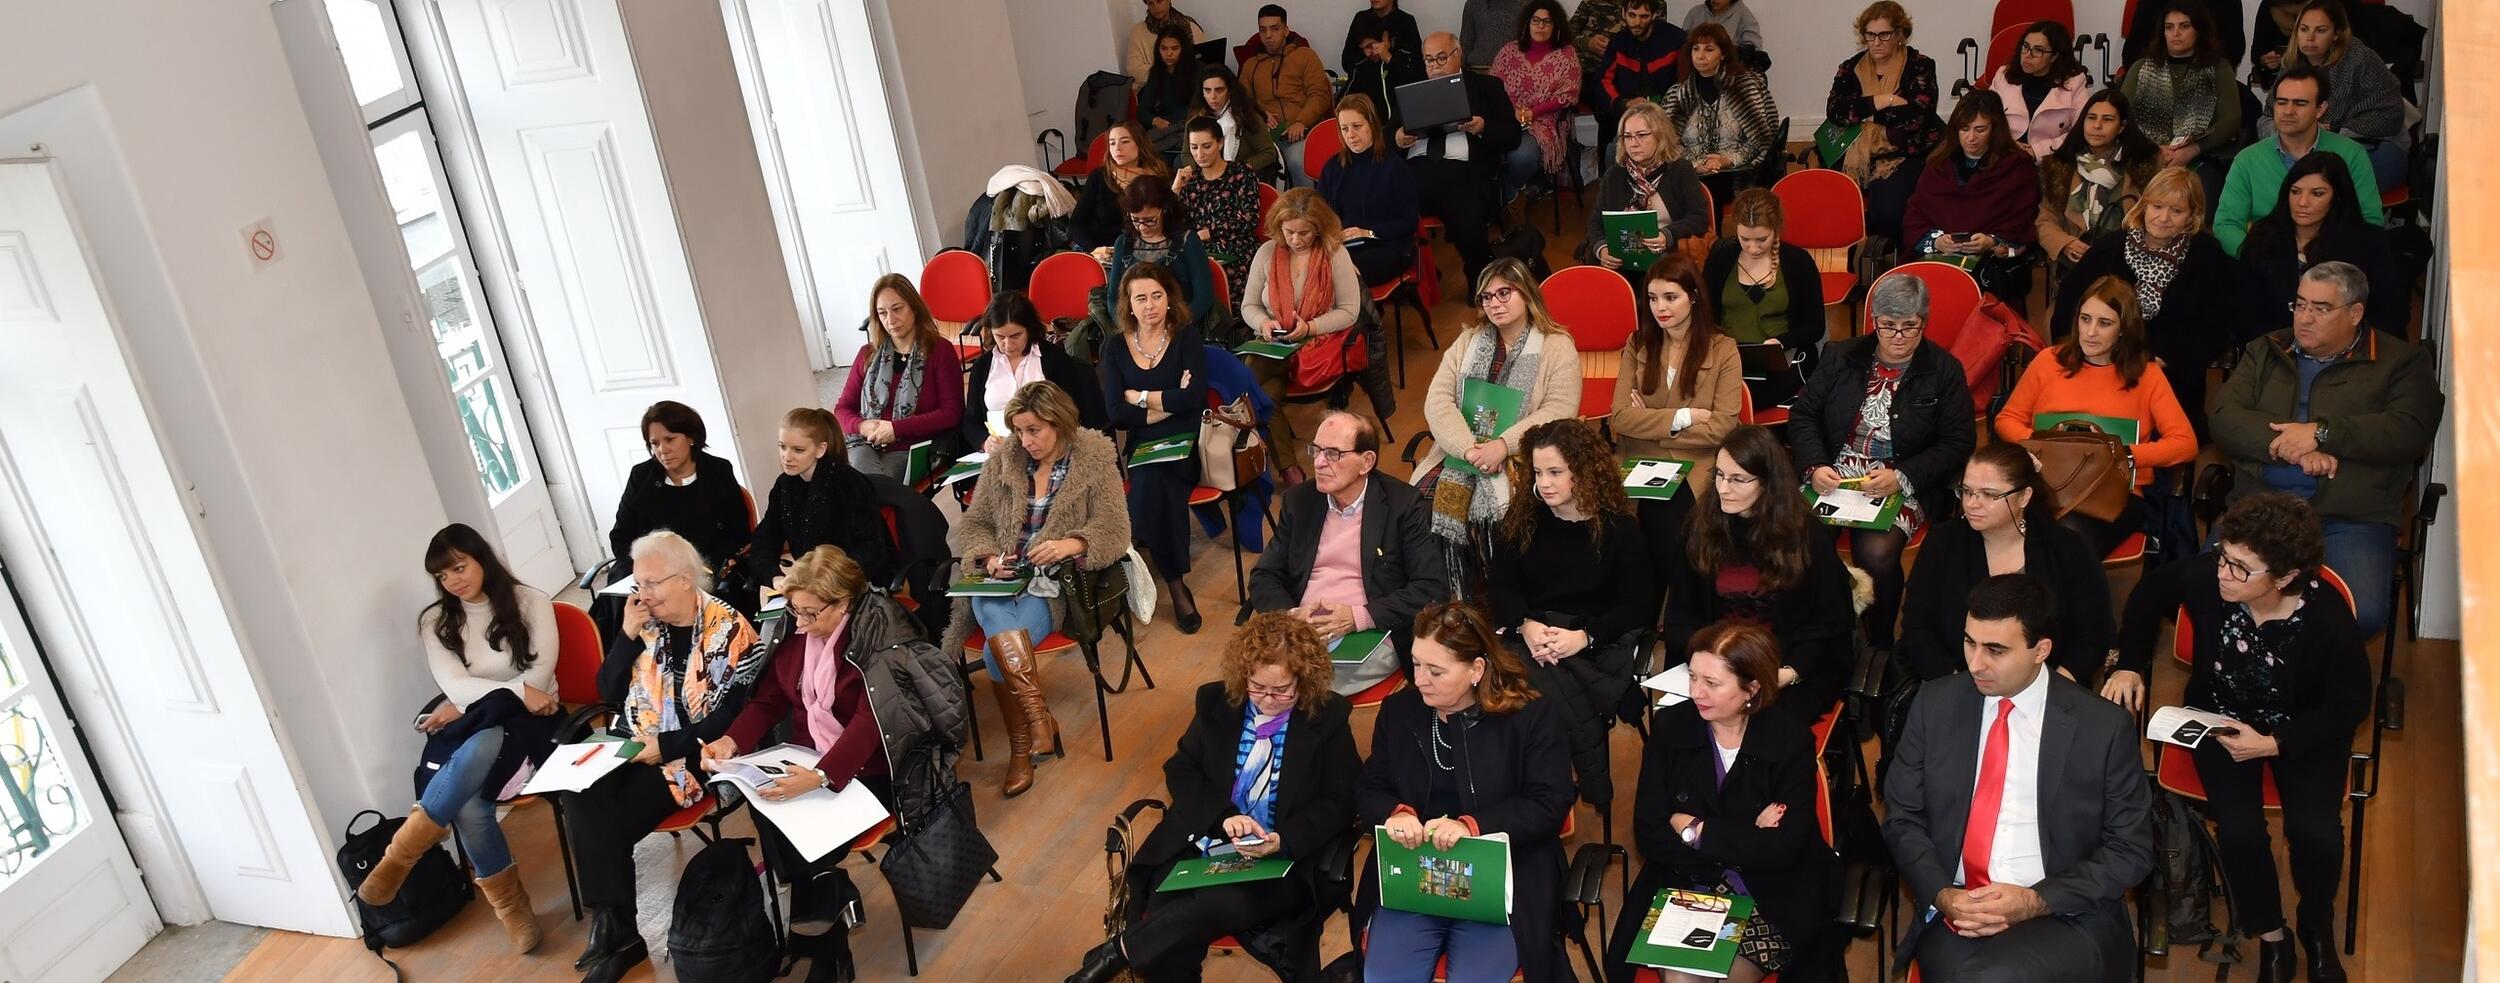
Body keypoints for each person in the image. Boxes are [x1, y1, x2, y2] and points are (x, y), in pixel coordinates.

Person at [2106, 493, 2368, 981]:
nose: (2224, 573)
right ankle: (2272, 935)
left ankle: (2315, 922)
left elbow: (2350, 703)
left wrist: (2275, 744)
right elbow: (2148, 595)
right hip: (2220, 721)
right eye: (2225, 557)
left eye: (2242, 568)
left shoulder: (2326, 616)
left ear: (2285, 577)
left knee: (2316, 833)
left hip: (2298, 729)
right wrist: (2128, 664)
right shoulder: (2210, 579)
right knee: (2240, 830)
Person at [1881, 574, 2154, 982]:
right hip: (1959, 911)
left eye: (1996, 650)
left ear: (2040, 650)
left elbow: (2130, 850)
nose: (1975, 663)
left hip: (2064, 912)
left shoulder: (2101, 727)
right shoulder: (1933, 704)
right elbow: (1902, 817)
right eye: (1970, 642)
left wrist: (2034, 901)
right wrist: (1944, 894)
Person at [706, 545, 960, 982]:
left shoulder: (879, 634)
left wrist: (823, 776)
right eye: (794, 611)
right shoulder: (800, 627)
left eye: (809, 614)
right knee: (769, 805)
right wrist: (733, 739)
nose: (799, 624)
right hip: (808, 756)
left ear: (842, 603)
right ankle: (825, 906)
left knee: (804, 831)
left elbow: (871, 722)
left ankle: (822, 944)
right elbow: (769, 699)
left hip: (877, 769)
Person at [1066, 613, 1360, 983]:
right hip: (1206, 841)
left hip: (1282, 861)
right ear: (1244, 676)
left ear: (1305, 680)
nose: (1268, 699)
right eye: (1257, 687)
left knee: (1217, 903)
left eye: (1282, 690)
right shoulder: (1216, 702)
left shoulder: (1328, 717)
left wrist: (1284, 840)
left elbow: (1342, 800)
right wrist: (1223, 816)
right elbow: (1181, 768)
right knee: (1164, 931)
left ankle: (1115, 954)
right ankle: (1126, 954)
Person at [564, 531, 772, 983]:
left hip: (694, 756)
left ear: (684, 579)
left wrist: (669, 747)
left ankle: (618, 934)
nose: (642, 594)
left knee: (604, 819)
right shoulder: (644, 625)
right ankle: (614, 928)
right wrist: (625, 636)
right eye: (637, 584)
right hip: (635, 742)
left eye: (652, 584)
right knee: (579, 789)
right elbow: (608, 692)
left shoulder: (728, 629)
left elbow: (732, 719)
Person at [2209, 261, 2442, 637]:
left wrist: (2323, 433)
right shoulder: (2267, 350)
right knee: (2212, 592)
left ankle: (2309, 686)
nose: (2305, 318)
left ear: (2355, 313)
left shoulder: (2401, 362)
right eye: (2300, 305)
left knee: (2356, 613)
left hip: (2350, 514)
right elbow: (2223, 416)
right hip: (2262, 507)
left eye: (2320, 308)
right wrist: (2293, 447)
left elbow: (2408, 429)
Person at [1603, 621, 1840, 983]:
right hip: (1689, 882)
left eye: (1711, 683)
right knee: (1681, 978)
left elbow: (1786, 846)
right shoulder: (1671, 727)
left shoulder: (1789, 739)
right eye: (1693, 677)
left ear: (1752, 688)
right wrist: (1747, 835)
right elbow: (1649, 831)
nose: (1696, 692)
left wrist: (1696, 832)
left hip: (1769, 891)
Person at [359, 525, 558, 953]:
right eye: (443, 576)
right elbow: (453, 682)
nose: (453, 581)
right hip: (477, 723)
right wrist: (495, 697)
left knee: (481, 749)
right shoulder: (436, 621)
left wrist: (474, 702)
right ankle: (513, 909)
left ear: (481, 558)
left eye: (459, 567)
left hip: (534, 723)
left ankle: (400, 857)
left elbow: (539, 679)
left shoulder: (532, 603)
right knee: (470, 796)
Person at [1357, 602, 1574, 983]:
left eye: (1436, 670)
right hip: (1415, 876)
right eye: (1416, 663)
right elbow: (1370, 786)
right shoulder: (1399, 712)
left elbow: (1549, 803)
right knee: (1384, 976)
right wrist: (1397, 813)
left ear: (1476, 669)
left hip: (1502, 879)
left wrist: (1474, 825)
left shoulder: (1530, 717)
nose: (1420, 679)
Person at [944, 381, 1129, 797]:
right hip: (1001, 578)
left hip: (1054, 584)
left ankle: (1022, 747)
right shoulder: (1003, 462)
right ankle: (1037, 720)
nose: (1026, 441)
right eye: (1019, 431)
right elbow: (975, 525)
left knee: (996, 651)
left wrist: (1073, 543)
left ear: (1060, 423)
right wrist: (990, 559)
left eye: (1035, 430)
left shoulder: (1094, 459)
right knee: (989, 605)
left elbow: (1116, 531)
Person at [1790, 274, 1975, 649]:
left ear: (1924, 322)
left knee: (1875, 553)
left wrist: (1903, 476)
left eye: (1910, 327)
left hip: (1903, 476)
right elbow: (1803, 415)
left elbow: (1959, 441)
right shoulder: (1841, 355)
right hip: (1835, 472)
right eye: (1888, 326)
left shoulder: (1944, 370)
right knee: (1798, 539)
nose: (1898, 337)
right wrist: (1815, 465)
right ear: (1873, 321)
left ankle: (1880, 645)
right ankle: (1820, 634)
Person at [1490, 418, 1651, 809]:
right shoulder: (1522, 520)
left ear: (1583, 470)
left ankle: (1535, 793)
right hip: (1531, 635)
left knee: (1524, 690)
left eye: (1556, 472)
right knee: (1527, 674)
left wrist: (1584, 637)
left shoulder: (1619, 530)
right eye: (1538, 472)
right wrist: (1526, 625)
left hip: (1594, 639)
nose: (1544, 483)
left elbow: (1637, 606)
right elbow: (1502, 589)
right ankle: (1554, 788)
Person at [1661, 425, 1856, 725]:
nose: (1723, 488)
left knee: (1765, 732)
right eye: (1719, 475)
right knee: (1678, 728)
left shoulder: (1806, 535)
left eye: (1738, 479)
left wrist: (1788, 672)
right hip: (1715, 667)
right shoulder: (1699, 529)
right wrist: (1712, 669)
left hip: (1786, 667)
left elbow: (1830, 622)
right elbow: (1681, 616)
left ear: (1768, 484)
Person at [1412, 259, 1583, 597]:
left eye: (1504, 292)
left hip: (1525, 455)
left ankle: (1496, 599)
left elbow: (1559, 410)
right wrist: (1469, 450)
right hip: (1459, 454)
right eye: (1486, 296)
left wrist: (1502, 446)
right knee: (1417, 507)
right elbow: (1437, 401)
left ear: (1527, 293)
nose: (1495, 303)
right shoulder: (1468, 341)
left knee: (1504, 519)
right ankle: (1447, 599)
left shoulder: (1556, 345)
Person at [2000, 276, 2202, 556]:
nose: (2090, 332)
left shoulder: (2147, 375)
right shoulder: (2049, 361)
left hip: (2114, 494)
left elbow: (2185, 443)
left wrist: (2125, 454)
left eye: (2104, 323)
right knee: (2009, 528)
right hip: (2047, 482)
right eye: (2085, 319)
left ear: (2123, 330)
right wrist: (2040, 444)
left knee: (2065, 540)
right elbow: (2007, 419)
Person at [1249, 411, 1448, 681]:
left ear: (1366, 461)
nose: (1318, 462)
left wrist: (1358, 617)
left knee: (1300, 681)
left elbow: (1430, 587)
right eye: (1316, 450)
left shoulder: (1402, 505)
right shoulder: (1300, 501)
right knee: (1254, 676)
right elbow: (1264, 575)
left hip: (1368, 632)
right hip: (1299, 631)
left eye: (1333, 454)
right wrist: (1290, 615)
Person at [1897, 444, 2113, 684]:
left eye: (1989, 495)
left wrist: (2055, 691)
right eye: (1967, 491)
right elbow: (1918, 628)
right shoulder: (1943, 542)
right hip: (1960, 681)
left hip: (2049, 686)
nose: (1972, 504)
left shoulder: (2066, 548)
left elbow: (2094, 632)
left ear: (2025, 497)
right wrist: (1957, 687)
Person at [2053, 166, 2238, 440]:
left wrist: (2163, 359)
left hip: (2167, 372)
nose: (2163, 218)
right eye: (2157, 206)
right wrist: (2090, 352)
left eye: (2176, 211)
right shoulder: (2111, 247)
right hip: (2100, 363)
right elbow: (2070, 301)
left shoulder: (2206, 257)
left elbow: (2215, 324)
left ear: (2192, 216)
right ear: (2144, 206)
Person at [1101, 263, 1211, 633]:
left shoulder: (1186, 338)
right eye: (1141, 298)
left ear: (1169, 299)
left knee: (1154, 485)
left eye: (1157, 296)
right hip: (1144, 443)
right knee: (1151, 481)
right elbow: (1116, 412)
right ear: (1128, 305)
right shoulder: (1115, 347)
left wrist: (1143, 397)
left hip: (1187, 440)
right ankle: (1176, 582)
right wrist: (1166, 402)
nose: (1150, 305)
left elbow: (1194, 398)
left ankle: (1154, 573)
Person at [1239, 188, 1363, 468]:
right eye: (1288, 232)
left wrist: (1310, 326)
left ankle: (1245, 454)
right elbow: (1248, 306)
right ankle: (1288, 467)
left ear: (1318, 228)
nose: (1295, 240)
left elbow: (1349, 311)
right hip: (1275, 340)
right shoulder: (1267, 252)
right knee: (1260, 391)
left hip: (1316, 342)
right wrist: (1263, 322)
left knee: (1250, 383)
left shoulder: (1335, 253)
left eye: (1304, 233)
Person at [2214, 65, 2382, 256]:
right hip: (2265, 263)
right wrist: (2259, 258)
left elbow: (2370, 222)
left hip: (2331, 266)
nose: (2288, 111)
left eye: (2300, 103)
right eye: (2282, 102)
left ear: (2320, 109)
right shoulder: (2248, 159)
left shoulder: (2351, 154)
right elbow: (2226, 224)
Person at [1398, 32, 1522, 287]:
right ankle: (1413, 271)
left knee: (1466, 206)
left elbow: (1512, 134)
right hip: (1417, 169)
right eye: (1429, 60)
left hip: (1464, 170)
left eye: (1441, 58)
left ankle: (1478, 275)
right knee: (1387, 200)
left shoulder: (1488, 87)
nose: (1435, 66)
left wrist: (1483, 127)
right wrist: (1398, 137)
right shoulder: (1413, 89)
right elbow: (1388, 132)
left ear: (1459, 55)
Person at [2239, 153, 2406, 337]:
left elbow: (2390, 314)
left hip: (2349, 354)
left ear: (2337, 197)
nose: (2302, 202)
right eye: (2295, 192)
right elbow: (2246, 311)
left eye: (2317, 193)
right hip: (2275, 351)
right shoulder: (2264, 236)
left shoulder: (2369, 242)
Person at [1902, 89, 2043, 304]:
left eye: (1980, 129)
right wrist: (1936, 242)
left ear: (1995, 130)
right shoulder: (1937, 165)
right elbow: (1915, 218)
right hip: (1938, 259)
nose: (1971, 138)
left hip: (1992, 267)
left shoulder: (2016, 167)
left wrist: (1992, 241)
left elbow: (2023, 225)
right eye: (1964, 129)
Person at [1610, 255, 1743, 481]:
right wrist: (1683, 417)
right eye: (1653, 298)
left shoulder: (1724, 348)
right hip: (1640, 460)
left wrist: (1648, 424)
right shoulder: (1637, 343)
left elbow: (1721, 428)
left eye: (1670, 297)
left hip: (1697, 463)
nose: (1660, 307)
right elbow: (1620, 417)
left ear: (1693, 297)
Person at [1824, 1, 1945, 243]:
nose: (1876, 42)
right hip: (1854, 152)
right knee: (1832, 207)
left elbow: (1917, 116)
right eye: (1870, 35)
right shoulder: (1851, 67)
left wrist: (1863, 112)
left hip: (1904, 153)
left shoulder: (1920, 64)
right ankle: (1847, 262)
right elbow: (1835, 111)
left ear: (1900, 34)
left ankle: (1893, 259)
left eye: (1884, 34)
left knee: (1889, 211)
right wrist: (1883, 100)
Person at [749, 407, 896, 601]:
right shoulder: (784, 485)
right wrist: (775, 577)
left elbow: (870, 552)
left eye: (798, 450)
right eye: (782, 446)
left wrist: (823, 582)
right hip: (815, 589)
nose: (787, 456)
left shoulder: (847, 482)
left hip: (854, 586)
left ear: (820, 450)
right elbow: (765, 539)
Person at [1702, 189, 1826, 410]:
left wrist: (1782, 342)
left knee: (1745, 398)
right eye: (1744, 239)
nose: (1753, 247)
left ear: (1776, 229)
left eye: (1762, 239)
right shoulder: (1720, 259)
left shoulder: (1798, 262)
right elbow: (1704, 315)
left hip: (1783, 359)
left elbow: (1815, 326)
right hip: (1730, 357)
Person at [2266, 0, 2408, 191]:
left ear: (2336, 34)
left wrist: (2335, 130)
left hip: (2370, 145)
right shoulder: (2290, 64)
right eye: (2304, 29)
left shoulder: (2361, 59)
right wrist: (2284, 132)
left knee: (2327, 175)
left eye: (2321, 30)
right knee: (2270, 166)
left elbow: (2391, 116)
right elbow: (2267, 115)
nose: (2310, 38)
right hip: (2308, 149)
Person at [835, 274, 964, 480]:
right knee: (855, 482)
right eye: (882, 313)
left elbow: (952, 413)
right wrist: (861, 425)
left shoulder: (939, 350)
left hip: (913, 447)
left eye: (897, 309)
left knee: (874, 486)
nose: (890, 320)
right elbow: (843, 408)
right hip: (864, 443)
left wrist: (897, 428)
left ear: (914, 307)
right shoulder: (867, 354)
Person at [2120, 0, 2247, 210]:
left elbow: (2230, 120)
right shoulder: (2141, 68)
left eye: (2184, 26)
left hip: (2202, 157)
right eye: (2169, 27)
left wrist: (2191, 150)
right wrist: (2154, 150)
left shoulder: (2218, 68)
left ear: (2199, 30)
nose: (2175, 33)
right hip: (2146, 154)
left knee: (2197, 204)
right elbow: (2122, 117)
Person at [2036, 88, 2162, 285]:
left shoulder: (2143, 166)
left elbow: (2156, 221)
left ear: (2122, 127)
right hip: (2075, 262)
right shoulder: (2061, 165)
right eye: (2091, 117)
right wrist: (2065, 243)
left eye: (2108, 119)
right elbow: (2045, 222)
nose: (2097, 125)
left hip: (2126, 262)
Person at [607, 400, 751, 572]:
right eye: (655, 443)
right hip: (652, 571)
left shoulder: (719, 470)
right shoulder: (641, 476)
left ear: (691, 438)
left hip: (708, 567)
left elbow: (738, 530)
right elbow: (621, 537)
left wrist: (711, 563)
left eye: (670, 439)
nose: (662, 450)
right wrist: (650, 569)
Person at [1656, 23, 1781, 217]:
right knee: (1692, 188)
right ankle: (1704, 243)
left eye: (1709, 49)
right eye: (1695, 49)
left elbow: (1762, 142)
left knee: (1713, 189)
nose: (1700, 55)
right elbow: (1668, 145)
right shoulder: (1679, 93)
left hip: (1740, 171)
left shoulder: (1745, 88)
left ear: (1723, 54)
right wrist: (1696, 164)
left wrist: (1727, 161)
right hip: (1693, 172)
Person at [961, 292, 1109, 453]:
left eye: (1015, 336)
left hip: (1050, 450)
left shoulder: (1053, 359)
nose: (1008, 345)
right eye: (1000, 336)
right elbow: (970, 421)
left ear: (1029, 329)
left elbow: (1074, 413)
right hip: (1000, 454)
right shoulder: (983, 366)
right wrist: (984, 442)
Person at [1580, 98, 1710, 269]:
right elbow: (1596, 223)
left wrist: (1668, 235)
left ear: (1660, 135)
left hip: (1669, 258)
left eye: (1642, 135)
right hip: (1622, 260)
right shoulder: (1614, 175)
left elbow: (1699, 218)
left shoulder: (1680, 170)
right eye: (1627, 137)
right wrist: (1602, 249)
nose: (1633, 143)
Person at [1317, 94, 1422, 287]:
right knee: (1314, 266)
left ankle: (1363, 316)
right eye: (1344, 128)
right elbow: (1320, 216)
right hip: (1342, 247)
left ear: (1372, 125)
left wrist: (1369, 233)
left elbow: (1409, 222)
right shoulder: (1332, 168)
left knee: (1341, 273)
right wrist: (1333, 238)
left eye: (1357, 126)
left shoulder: (1394, 167)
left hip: (1386, 244)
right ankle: (1365, 315)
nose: (1350, 135)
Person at [1489, 0, 1581, 205]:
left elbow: (1568, 94)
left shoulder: (1566, 54)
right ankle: (1509, 195)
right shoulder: (1508, 51)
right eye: (1536, 20)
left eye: (1547, 22)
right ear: (1527, 23)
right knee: (1482, 147)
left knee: (1521, 157)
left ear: (1556, 25)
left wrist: (1534, 112)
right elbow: (1493, 86)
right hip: (1506, 117)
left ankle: (1511, 197)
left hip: (1544, 121)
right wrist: (1510, 111)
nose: (1540, 26)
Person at [1099, 179, 1217, 330]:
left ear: (1164, 210)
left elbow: (1203, 296)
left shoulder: (1187, 241)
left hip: (1179, 326)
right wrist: (1129, 326)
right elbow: (1113, 296)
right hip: (1135, 327)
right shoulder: (1123, 243)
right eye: (1135, 220)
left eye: (1150, 220)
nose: (1142, 228)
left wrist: (1173, 326)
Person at [1173, 117, 1260, 311]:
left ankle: (1225, 324)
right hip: (1198, 247)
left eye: (1206, 146)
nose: (1199, 154)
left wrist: (1208, 233)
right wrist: (1176, 189)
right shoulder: (1190, 181)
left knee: (1219, 270)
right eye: (1194, 147)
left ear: (1220, 143)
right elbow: (1173, 224)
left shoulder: (1242, 173)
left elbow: (1249, 219)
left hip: (1237, 246)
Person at [1242, 5, 1333, 187]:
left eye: (1274, 29)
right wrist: (1260, 114)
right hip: (1264, 136)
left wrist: (1301, 121)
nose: (1268, 35)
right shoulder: (1251, 65)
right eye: (1263, 30)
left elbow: (1320, 95)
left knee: (1298, 163)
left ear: (1285, 30)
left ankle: (1307, 212)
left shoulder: (1305, 56)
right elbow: (1241, 101)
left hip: (1301, 132)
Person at [1989, 21, 2093, 159]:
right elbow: (1985, 118)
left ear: (2054, 56)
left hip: (2050, 159)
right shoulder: (2004, 75)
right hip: (2005, 154)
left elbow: (2081, 130)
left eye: (2038, 50)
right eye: (2025, 46)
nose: (2027, 55)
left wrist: (2037, 151)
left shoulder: (2074, 82)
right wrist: (2007, 144)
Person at [1072, 119, 1174, 253]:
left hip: (1147, 250)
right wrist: (1095, 249)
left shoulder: (1158, 175)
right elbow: (1075, 224)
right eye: (1112, 143)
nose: (1117, 148)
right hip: (1104, 250)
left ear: (1140, 143)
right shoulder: (1099, 176)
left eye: (1125, 141)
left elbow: (1170, 222)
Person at [1597, 0, 1687, 126]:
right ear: (1623, 13)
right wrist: (1624, 103)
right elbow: (1603, 81)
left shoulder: (1677, 40)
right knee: (1612, 144)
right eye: (1632, 15)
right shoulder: (1618, 43)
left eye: (1644, 16)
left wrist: (1663, 106)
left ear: (1654, 15)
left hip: (1668, 115)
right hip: (1627, 114)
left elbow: (1687, 82)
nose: (1637, 23)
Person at [1344, 13, 1429, 133]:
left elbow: (1421, 86)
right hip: (1377, 132)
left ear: (1385, 37)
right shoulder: (1361, 67)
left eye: (1370, 46)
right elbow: (1345, 100)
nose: (1368, 53)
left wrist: (1390, 59)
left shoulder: (1406, 56)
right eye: (1363, 49)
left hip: (1410, 127)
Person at [1195, 66, 1281, 179]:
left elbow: (1269, 153)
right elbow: (1186, 153)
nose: (1212, 96)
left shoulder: (1247, 116)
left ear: (1230, 91)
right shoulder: (1198, 117)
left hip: (1242, 177)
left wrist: (1237, 170)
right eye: (1207, 90)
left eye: (1219, 90)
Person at [2121, 0, 2244, 68]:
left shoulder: (2226, 3)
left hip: (2210, 71)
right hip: (2156, 70)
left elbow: (2234, 47)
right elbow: (2136, 44)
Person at [1139, 24, 1201, 158]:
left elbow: (1198, 107)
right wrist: (1155, 120)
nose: (1169, 53)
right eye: (1164, 48)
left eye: (1175, 48)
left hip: (1190, 128)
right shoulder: (1156, 72)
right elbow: (1143, 110)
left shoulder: (1197, 69)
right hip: (1166, 129)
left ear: (1183, 49)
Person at [1125, 0, 1206, 93]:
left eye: (1159, 1)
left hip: (1191, 87)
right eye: (1151, 3)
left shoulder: (1190, 26)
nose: (1156, 7)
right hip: (1155, 91)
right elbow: (1134, 70)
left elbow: (1204, 57)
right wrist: (1169, 73)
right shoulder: (1138, 32)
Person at [1343, 0, 1423, 76]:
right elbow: (1346, 62)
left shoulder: (1406, 21)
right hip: (1362, 84)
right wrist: (1366, 55)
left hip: (1394, 85)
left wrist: (1388, 57)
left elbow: (1417, 68)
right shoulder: (1360, 19)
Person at [1460, 0, 1531, 70]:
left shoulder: (1525, 4)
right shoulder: (1473, 4)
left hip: (1513, 70)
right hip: (1478, 69)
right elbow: (1465, 43)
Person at [1680, 0, 1762, 52]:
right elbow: (1682, 45)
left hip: (1730, 73)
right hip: (1697, 71)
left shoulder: (1744, 16)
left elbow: (1753, 50)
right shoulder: (1695, 13)